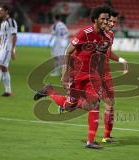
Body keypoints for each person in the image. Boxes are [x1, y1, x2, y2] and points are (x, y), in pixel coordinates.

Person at [34, 5, 112, 149]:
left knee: (94, 103)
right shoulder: (84, 33)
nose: (106, 21)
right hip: (77, 76)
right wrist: (65, 74)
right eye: (103, 19)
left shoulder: (106, 38)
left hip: (92, 78)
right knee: (68, 107)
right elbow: (68, 52)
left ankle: (90, 141)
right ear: (95, 19)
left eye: (107, 19)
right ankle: (49, 90)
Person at [101, 9, 128, 143]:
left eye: (114, 22)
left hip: (106, 74)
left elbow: (108, 53)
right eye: (110, 21)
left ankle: (106, 136)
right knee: (78, 104)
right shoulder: (94, 33)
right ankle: (52, 93)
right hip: (92, 74)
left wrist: (121, 60)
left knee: (110, 105)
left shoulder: (110, 35)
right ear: (104, 19)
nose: (112, 24)